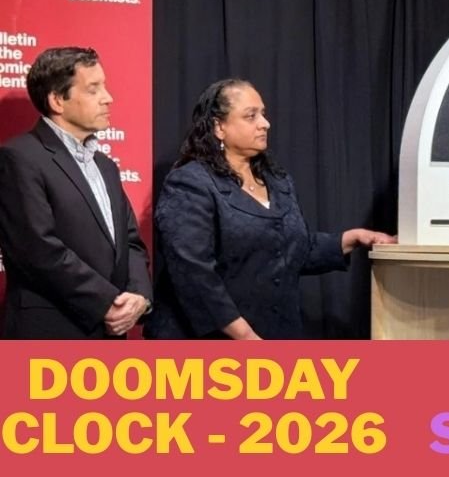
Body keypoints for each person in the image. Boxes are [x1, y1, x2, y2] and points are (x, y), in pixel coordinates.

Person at [147, 78, 395, 339]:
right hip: (211, 346)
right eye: (250, 116)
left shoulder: (277, 181)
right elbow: (193, 274)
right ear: (219, 127)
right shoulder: (191, 183)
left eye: (263, 114)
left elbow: (288, 250)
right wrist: (244, 336)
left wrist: (352, 239)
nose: (265, 123)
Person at [0, 47, 152, 339]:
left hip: (110, 335)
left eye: (104, 86)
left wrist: (138, 296)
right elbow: (37, 250)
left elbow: (131, 242)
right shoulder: (18, 158)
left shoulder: (105, 165)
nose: (109, 98)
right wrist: (106, 302)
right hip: (51, 333)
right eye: (93, 89)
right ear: (57, 100)